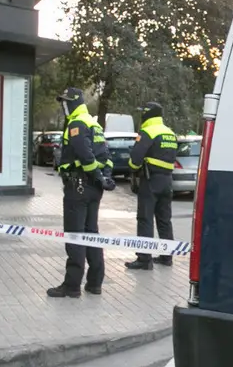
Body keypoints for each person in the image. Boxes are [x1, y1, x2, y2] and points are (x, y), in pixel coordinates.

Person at [47, 87, 116, 299]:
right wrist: (104, 177)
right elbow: (105, 155)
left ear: (74, 103)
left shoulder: (77, 124)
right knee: (91, 233)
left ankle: (72, 286)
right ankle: (95, 283)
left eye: (66, 102)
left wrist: (96, 175)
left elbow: (85, 154)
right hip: (93, 189)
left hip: (78, 187)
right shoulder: (94, 124)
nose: (63, 106)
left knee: (75, 235)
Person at [125, 101, 178, 271]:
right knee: (164, 220)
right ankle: (166, 256)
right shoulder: (170, 133)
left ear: (147, 114)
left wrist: (133, 170)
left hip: (150, 180)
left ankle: (144, 259)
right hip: (168, 181)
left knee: (145, 219)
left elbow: (135, 158)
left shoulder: (147, 131)